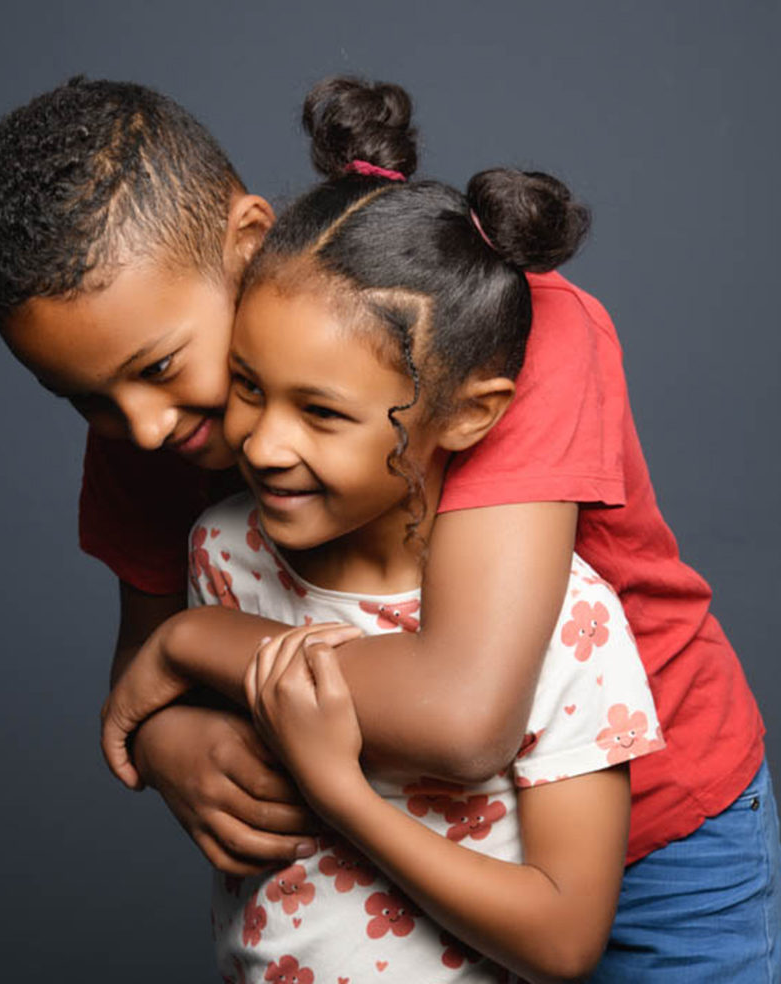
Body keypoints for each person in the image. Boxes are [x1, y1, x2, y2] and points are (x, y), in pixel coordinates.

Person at [0, 77, 778, 980]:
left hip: (650, 844)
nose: (142, 427)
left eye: (158, 366)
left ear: (245, 241)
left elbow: (465, 710)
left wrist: (199, 644)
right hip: (390, 874)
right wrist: (169, 747)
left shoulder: (491, 333)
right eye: (87, 400)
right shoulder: (151, 416)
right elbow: (145, 677)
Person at [171, 157, 664, 982]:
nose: (262, 444)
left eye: (322, 412)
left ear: (469, 414)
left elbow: (564, 942)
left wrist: (345, 797)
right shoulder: (227, 553)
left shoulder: (570, 626)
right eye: (248, 387)